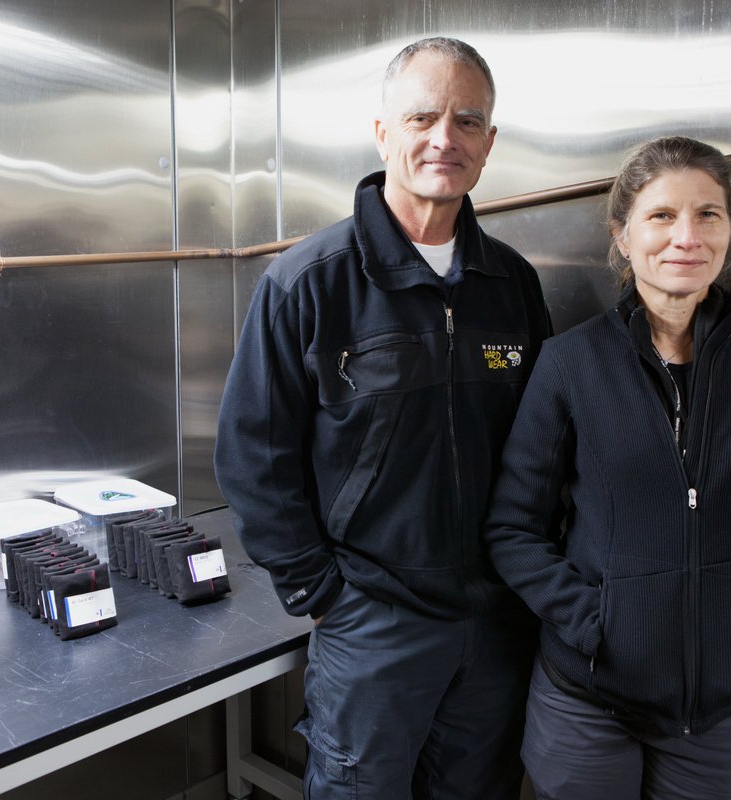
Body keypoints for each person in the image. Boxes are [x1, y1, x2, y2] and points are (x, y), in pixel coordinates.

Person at [214, 37, 552, 800]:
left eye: (468, 121)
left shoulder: (513, 286)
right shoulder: (309, 283)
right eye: (422, 117)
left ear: (489, 143)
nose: (444, 138)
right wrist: (322, 593)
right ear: (382, 133)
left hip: (496, 626)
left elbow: (543, 448)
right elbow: (252, 457)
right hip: (374, 625)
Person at [484, 136, 731, 799]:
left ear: (729, 233)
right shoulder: (570, 364)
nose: (687, 236)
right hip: (587, 700)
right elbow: (513, 529)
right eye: (661, 215)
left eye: (708, 214)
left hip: (722, 711)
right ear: (622, 236)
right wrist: (594, 625)